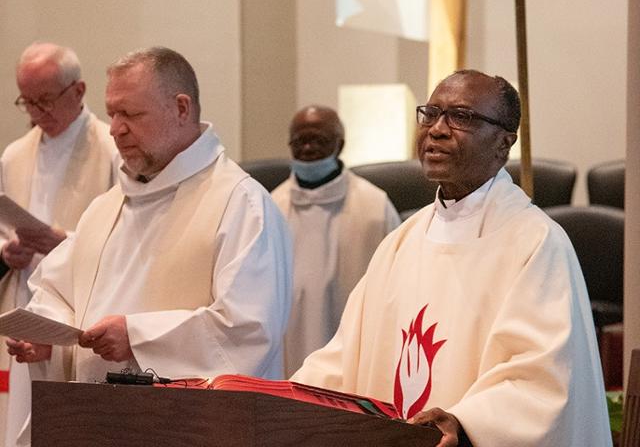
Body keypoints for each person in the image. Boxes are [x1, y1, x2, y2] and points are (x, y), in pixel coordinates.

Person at [291, 70, 611, 446]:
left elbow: (542, 381)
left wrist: (466, 420)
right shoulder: (401, 242)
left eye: (461, 117)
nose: (437, 130)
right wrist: (284, 398)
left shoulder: (536, 243)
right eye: (431, 114)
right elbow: (346, 359)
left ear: (504, 142)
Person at [7, 47, 292, 444]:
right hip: (94, 426)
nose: (115, 129)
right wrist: (45, 340)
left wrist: (136, 336)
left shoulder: (241, 203)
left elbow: (248, 331)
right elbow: (55, 292)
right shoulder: (105, 209)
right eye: (112, 113)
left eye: (131, 114)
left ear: (181, 108)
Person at [0, 42, 119, 447]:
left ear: (79, 91)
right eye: (27, 102)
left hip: (78, 307)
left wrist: (61, 242)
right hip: (25, 298)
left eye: (45, 100)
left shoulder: (112, 149)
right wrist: (7, 251)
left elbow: (124, 234)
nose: (36, 113)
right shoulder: (14, 154)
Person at [272, 105, 400, 376]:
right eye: (299, 142)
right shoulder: (272, 207)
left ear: (340, 144)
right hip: (287, 352)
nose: (308, 149)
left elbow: (398, 287)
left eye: (318, 140)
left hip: (355, 354)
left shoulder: (374, 207)